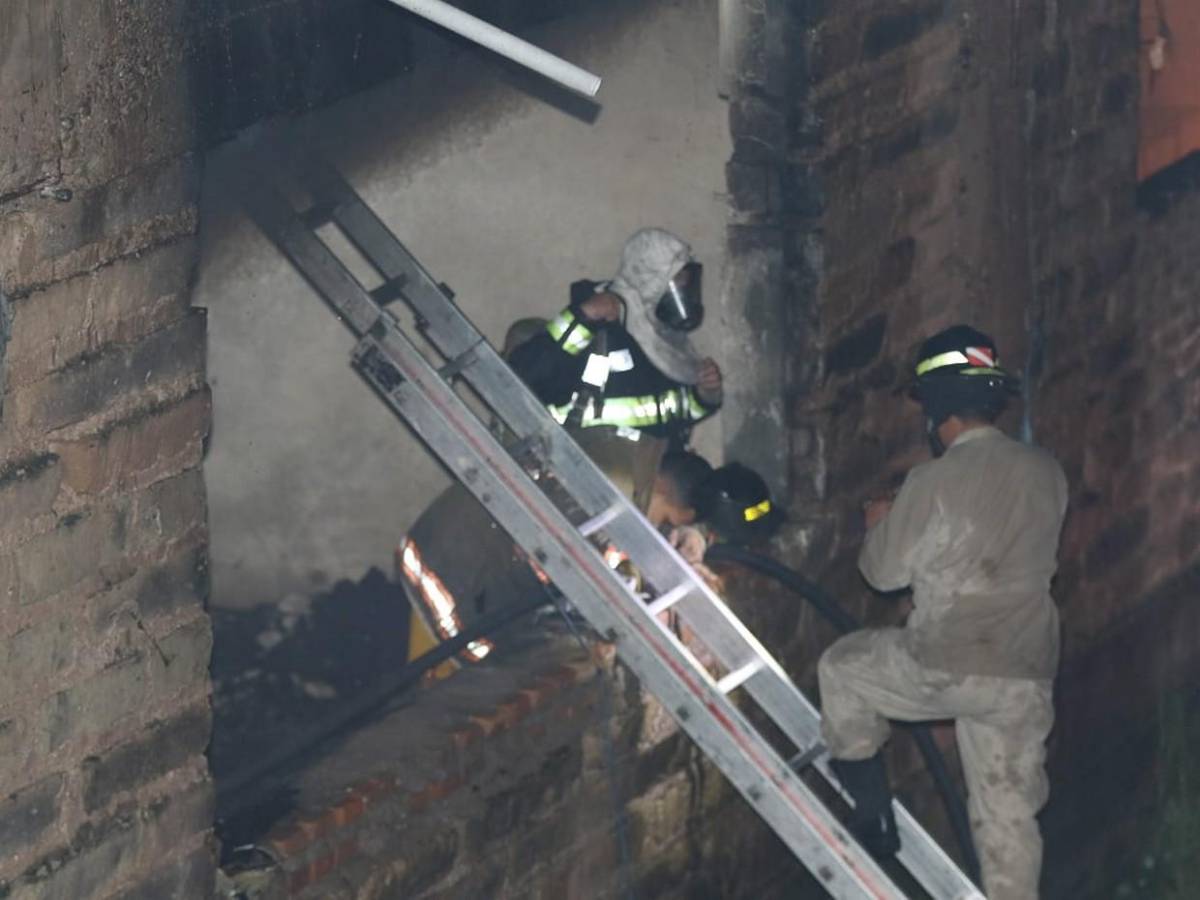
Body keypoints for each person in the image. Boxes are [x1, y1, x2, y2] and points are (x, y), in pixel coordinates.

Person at [816, 325, 1067, 900]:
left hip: (945, 663)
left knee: (843, 665)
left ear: (936, 411)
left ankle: (872, 812)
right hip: (1025, 672)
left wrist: (881, 521)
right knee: (1008, 818)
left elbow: (882, 574)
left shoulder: (932, 481)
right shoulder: (1045, 470)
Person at [508, 228, 723, 451]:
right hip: (573, 461)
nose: (682, 291)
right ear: (650, 281)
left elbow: (661, 414)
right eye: (675, 281)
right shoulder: (597, 329)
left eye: (685, 283)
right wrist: (583, 317)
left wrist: (703, 396)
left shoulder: (661, 341)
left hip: (635, 472)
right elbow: (517, 377)